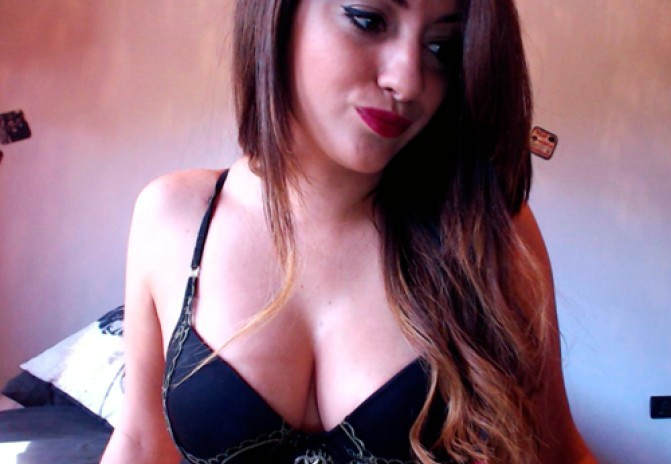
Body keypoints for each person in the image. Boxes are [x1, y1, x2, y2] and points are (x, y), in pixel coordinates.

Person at [101, 0, 597, 463]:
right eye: (368, 20)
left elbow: (557, 451)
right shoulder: (174, 216)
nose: (408, 81)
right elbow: (141, 442)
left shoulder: (486, 233)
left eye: (441, 47)